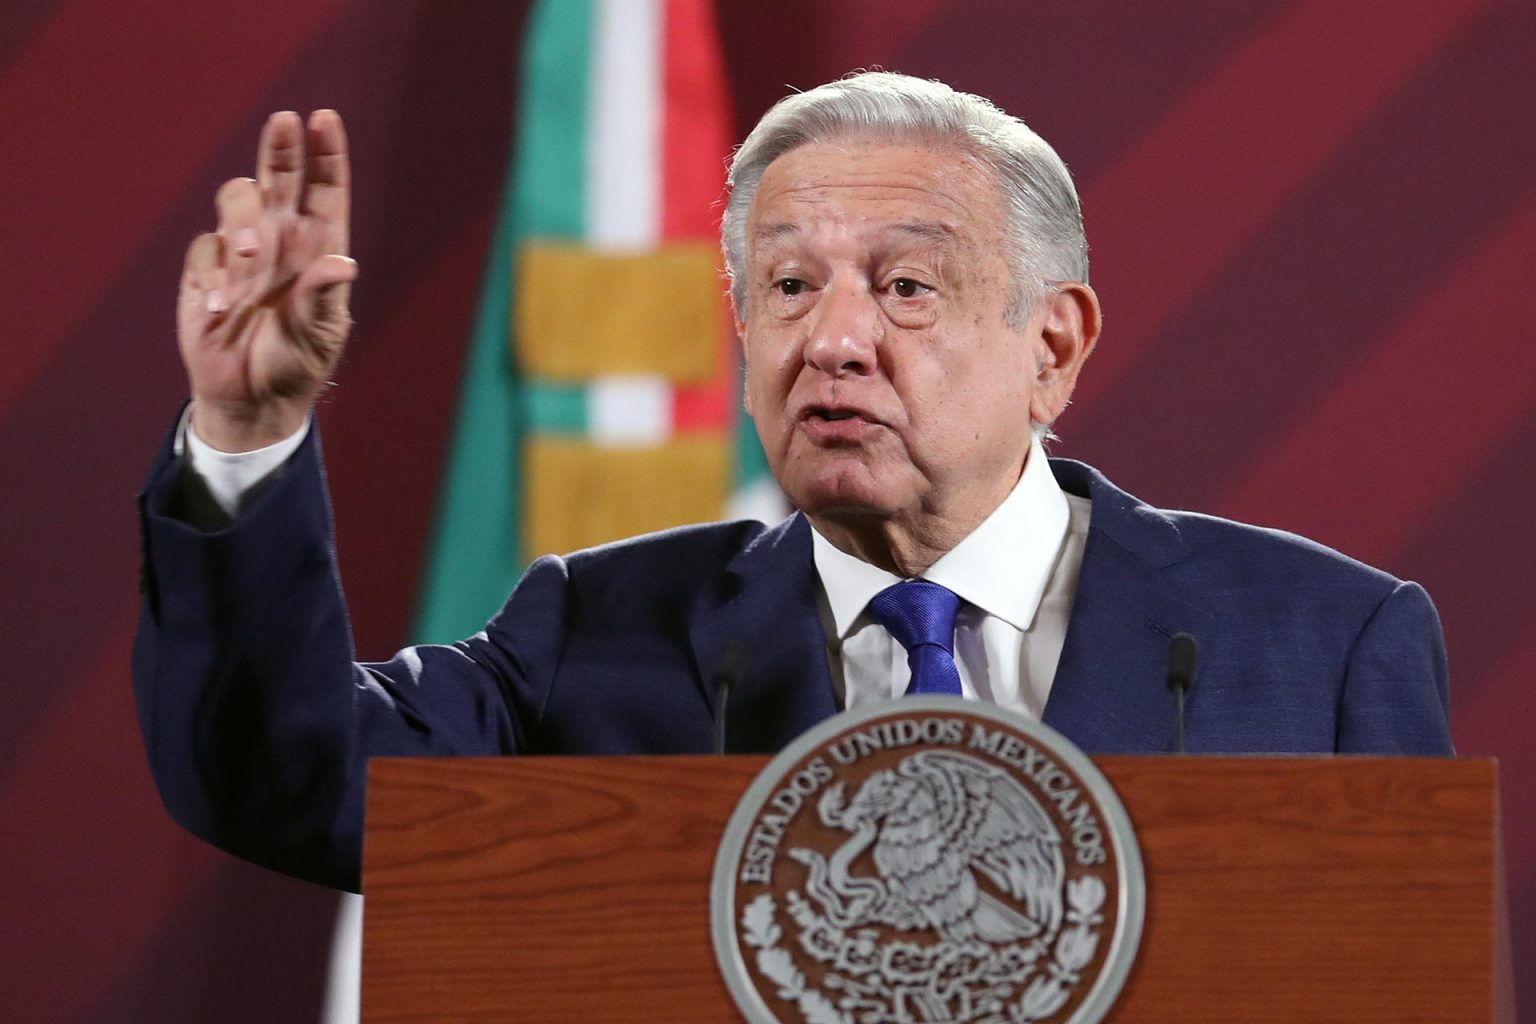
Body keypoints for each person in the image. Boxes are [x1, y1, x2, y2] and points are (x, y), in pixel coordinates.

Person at [134, 73, 1452, 893]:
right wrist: (245, 433)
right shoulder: (596, 639)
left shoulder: (1323, 644)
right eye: (785, 286)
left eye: (906, 287)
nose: (831, 337)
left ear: (1051, 347)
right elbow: (283, 775)